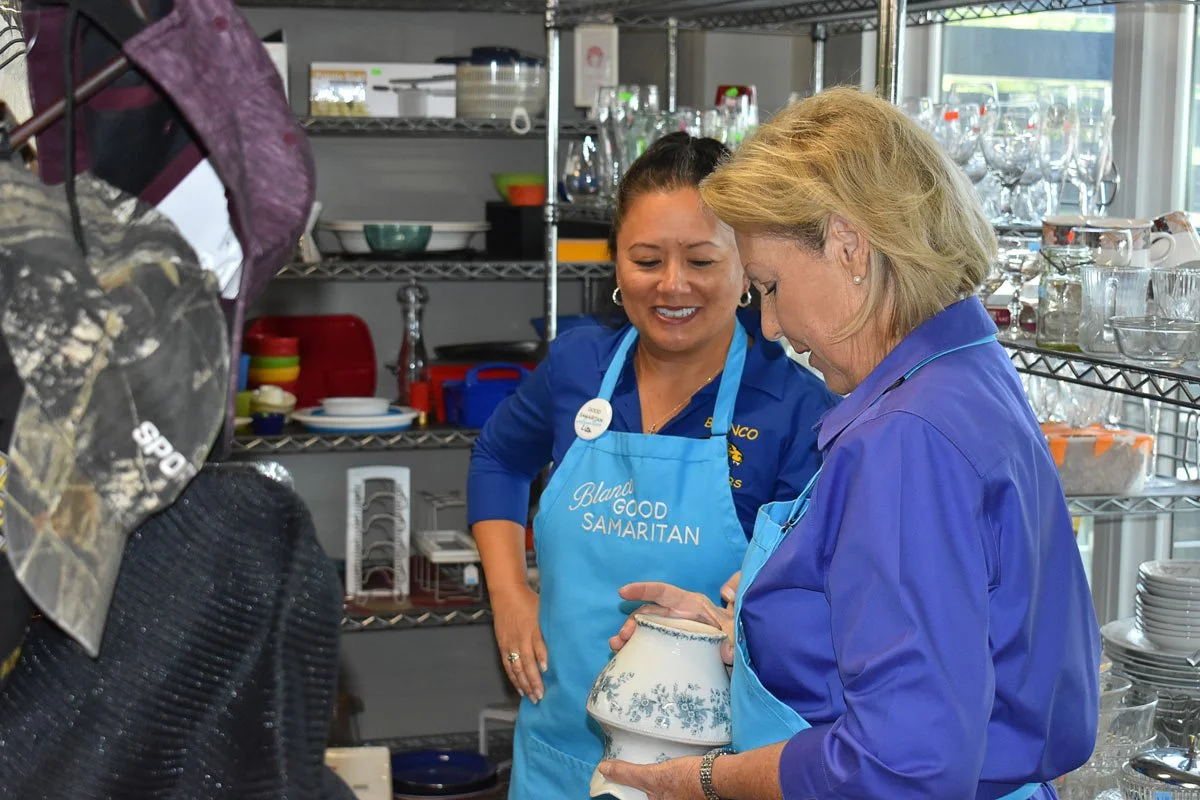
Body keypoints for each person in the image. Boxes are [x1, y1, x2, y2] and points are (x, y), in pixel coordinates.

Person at [598, 88, 1101, 800]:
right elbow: (945, 641)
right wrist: (742, 629)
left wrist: (706, 777)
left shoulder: (905, 440)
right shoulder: (966, 370)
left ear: (848, 245)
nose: (768, 326)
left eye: (769, 286)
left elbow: (900, 766)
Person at [467, 132, 840, 798]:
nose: (672, 285)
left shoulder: (793, 409)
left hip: (704, 771)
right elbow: (499, 455)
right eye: (646, 260)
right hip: (556, 755)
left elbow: (800, 598)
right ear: (615, 261)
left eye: (700, 260)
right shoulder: (578, 366)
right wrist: (508, 595)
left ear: (746, 264)